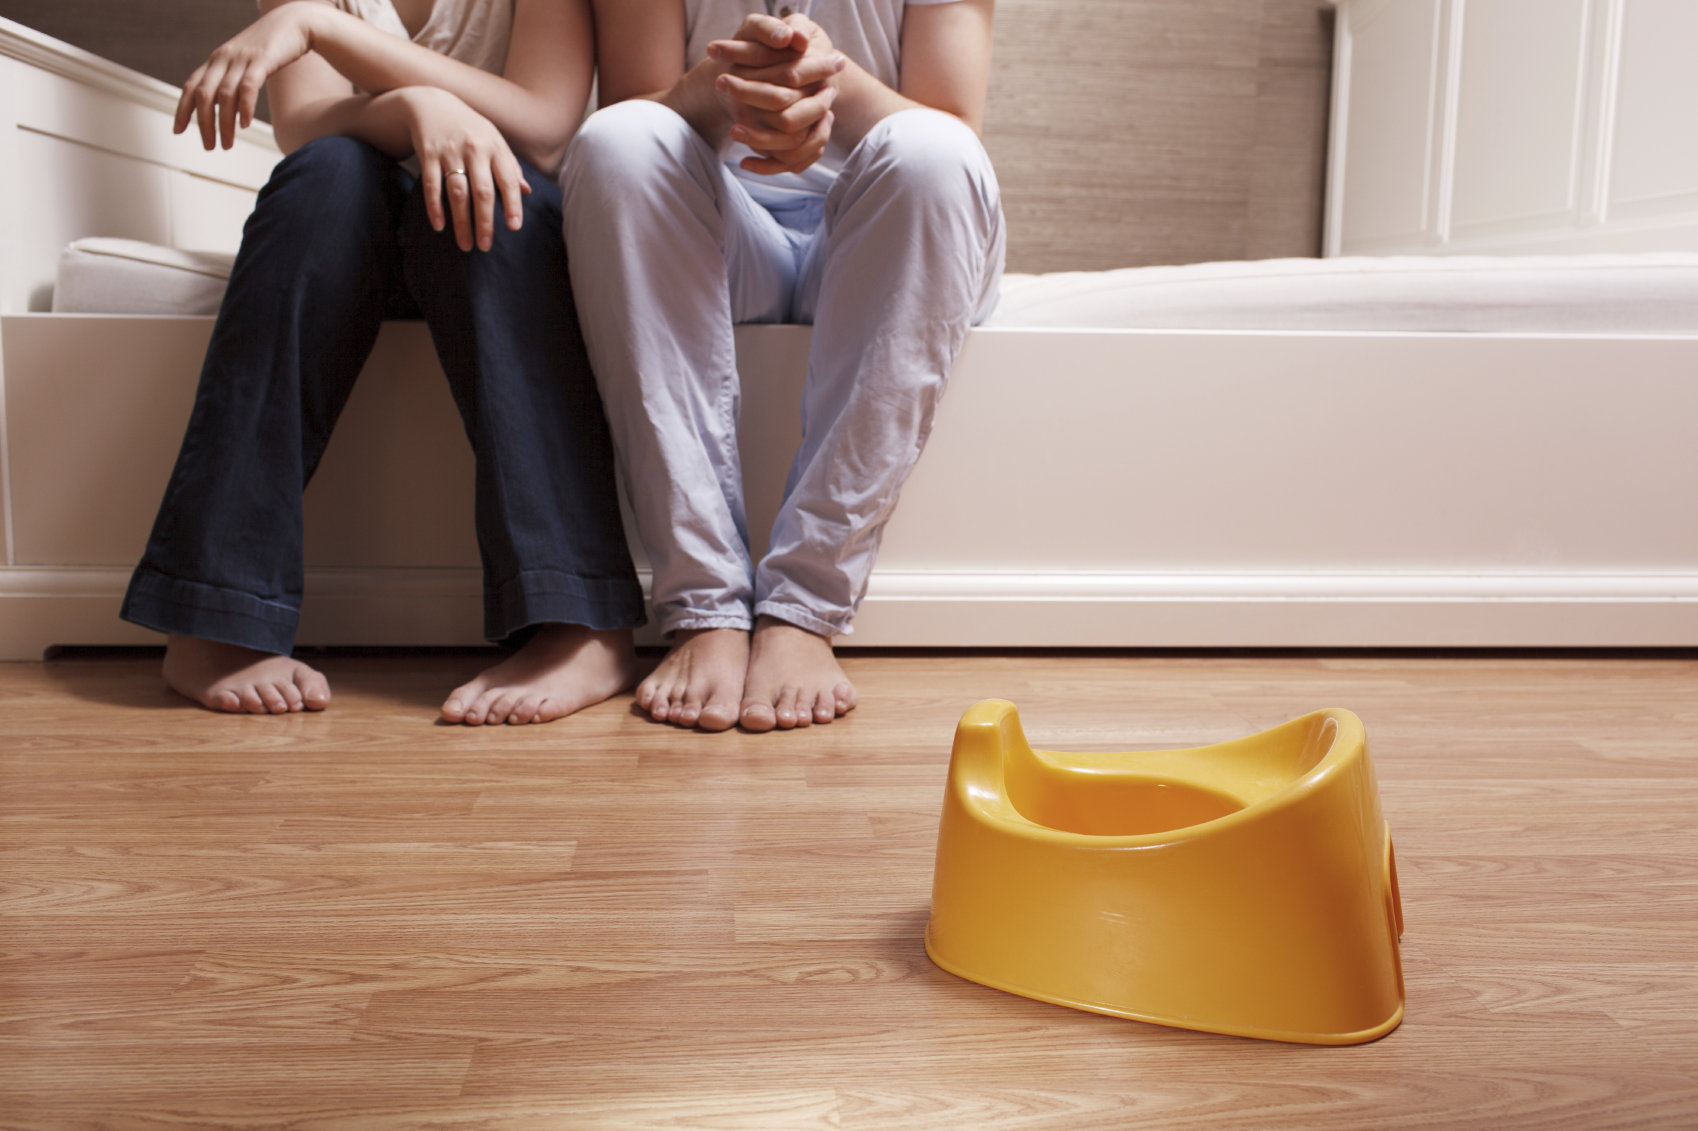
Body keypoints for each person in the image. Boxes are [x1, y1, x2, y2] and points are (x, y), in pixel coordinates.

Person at [121, 0, 646, 724]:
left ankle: (578, 620)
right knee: (326, 173)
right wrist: (417, 108)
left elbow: (545, 127)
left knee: (500, 181)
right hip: (347, 238)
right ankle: (217, 610)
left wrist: (325, 28)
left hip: (490, 242)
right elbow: (303, 127)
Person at [563, 0, 1004, 732]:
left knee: (935, 152)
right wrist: (722, 84)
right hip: (725, 230)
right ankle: (704, 605)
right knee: (618, 141)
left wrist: (829, 83)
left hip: (887, 219)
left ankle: (805, 605)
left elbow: (952, 122)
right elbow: (640, 108)